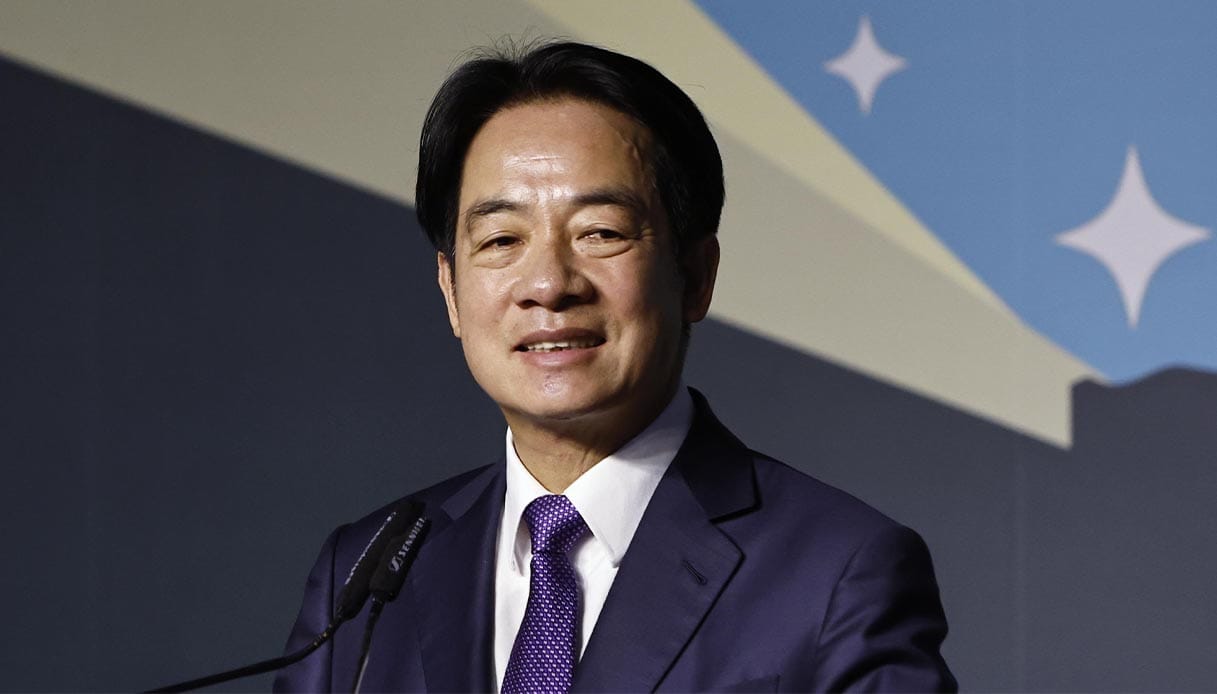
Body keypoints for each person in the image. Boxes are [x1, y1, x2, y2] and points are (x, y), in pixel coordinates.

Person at [274, 41, 956, 693]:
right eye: (502, 239)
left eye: (600, 233)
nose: (548, 284)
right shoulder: (367, 571)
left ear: (695, 276)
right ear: (451, 291)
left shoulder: (838, 569)